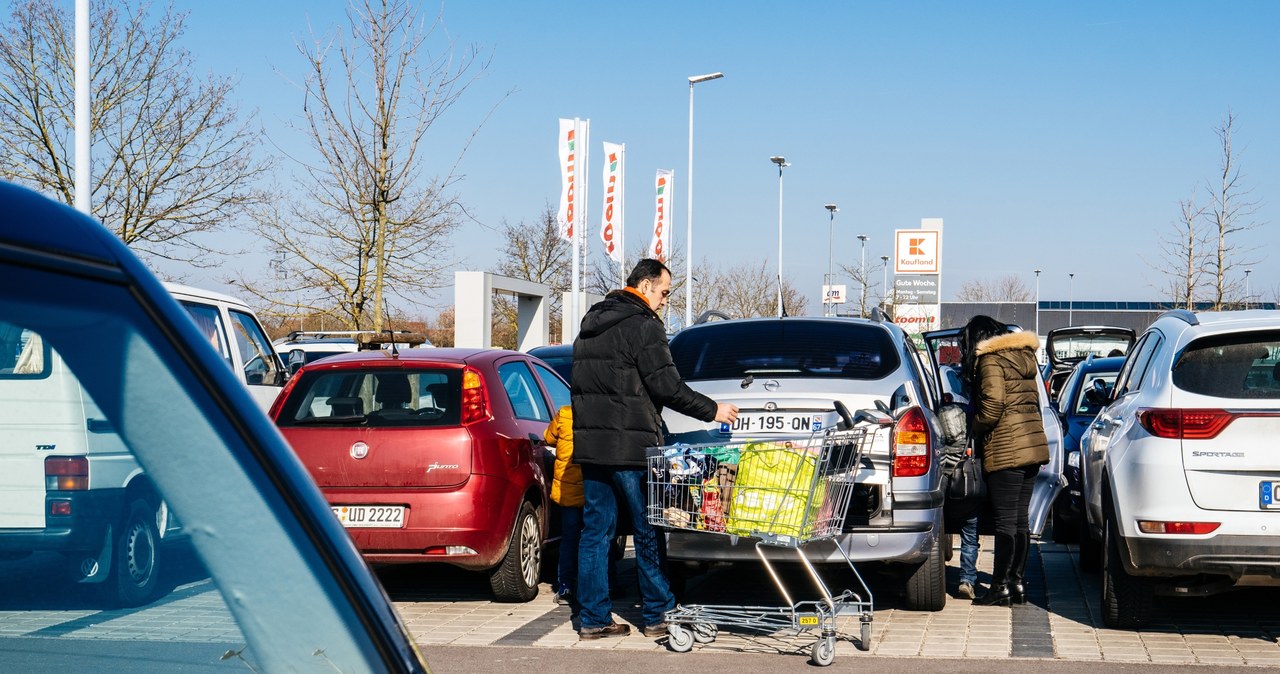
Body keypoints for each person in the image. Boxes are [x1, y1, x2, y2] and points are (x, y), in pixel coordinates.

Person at [571, 259, 738, 640]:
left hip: (592, 446)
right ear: (645, 286)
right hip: (631, 447)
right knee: (648, 529)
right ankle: (659, 614)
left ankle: (593, 620)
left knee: (596, 532)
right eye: (664, 292)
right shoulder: (643, 326)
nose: (665, 301)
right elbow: (667, 386)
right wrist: (714, 410)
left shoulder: (590, 326)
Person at [960, 315, 1049, 606]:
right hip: (1032, 446)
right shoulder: (1023, 356)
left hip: (1007, 448)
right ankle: (1016, 582)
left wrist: (974, 427)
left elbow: (993, 405)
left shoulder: (990, 360)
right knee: (1020, 520)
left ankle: (999, 587)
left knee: (1005, 523)